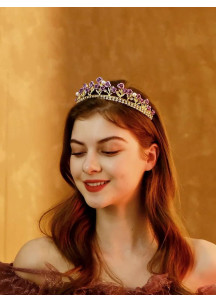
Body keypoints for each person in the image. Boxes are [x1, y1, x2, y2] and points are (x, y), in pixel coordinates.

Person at [0, 77, 216, 295]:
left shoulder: (206, 264)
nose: (88, 166)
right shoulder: (38, 263)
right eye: (78, 152)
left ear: (150, 157)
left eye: (109, 150)